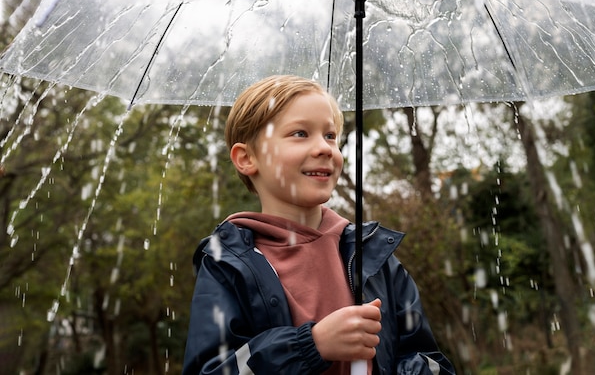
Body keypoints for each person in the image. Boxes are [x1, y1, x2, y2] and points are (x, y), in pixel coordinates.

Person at [182, 75, 455, 375]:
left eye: (330, 136)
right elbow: (210, 370)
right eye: (300, 133)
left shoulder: (373, 256)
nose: (325, 148)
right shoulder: (227, 264)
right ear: (246, 158)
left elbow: (428, 359)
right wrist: (311, 345)